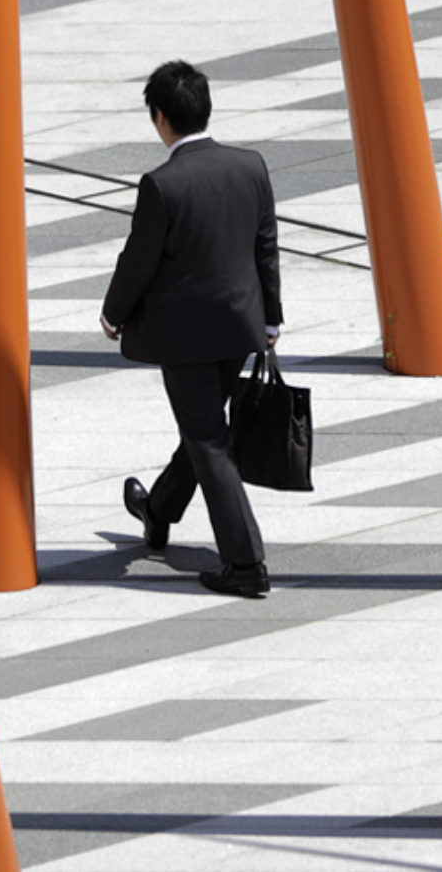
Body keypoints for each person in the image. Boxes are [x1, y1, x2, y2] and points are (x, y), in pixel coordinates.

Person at [100, 60, 282, 598]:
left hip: (186, 339)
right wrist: (271, 317)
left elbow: (140, 260)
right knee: (202, 432)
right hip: (240, 327)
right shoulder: (250, 166)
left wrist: (113, 313)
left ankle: (246, 563)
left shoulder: (162, 184)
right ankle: (157, 510)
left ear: (160, 117)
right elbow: (265, 245)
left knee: (208, 440)